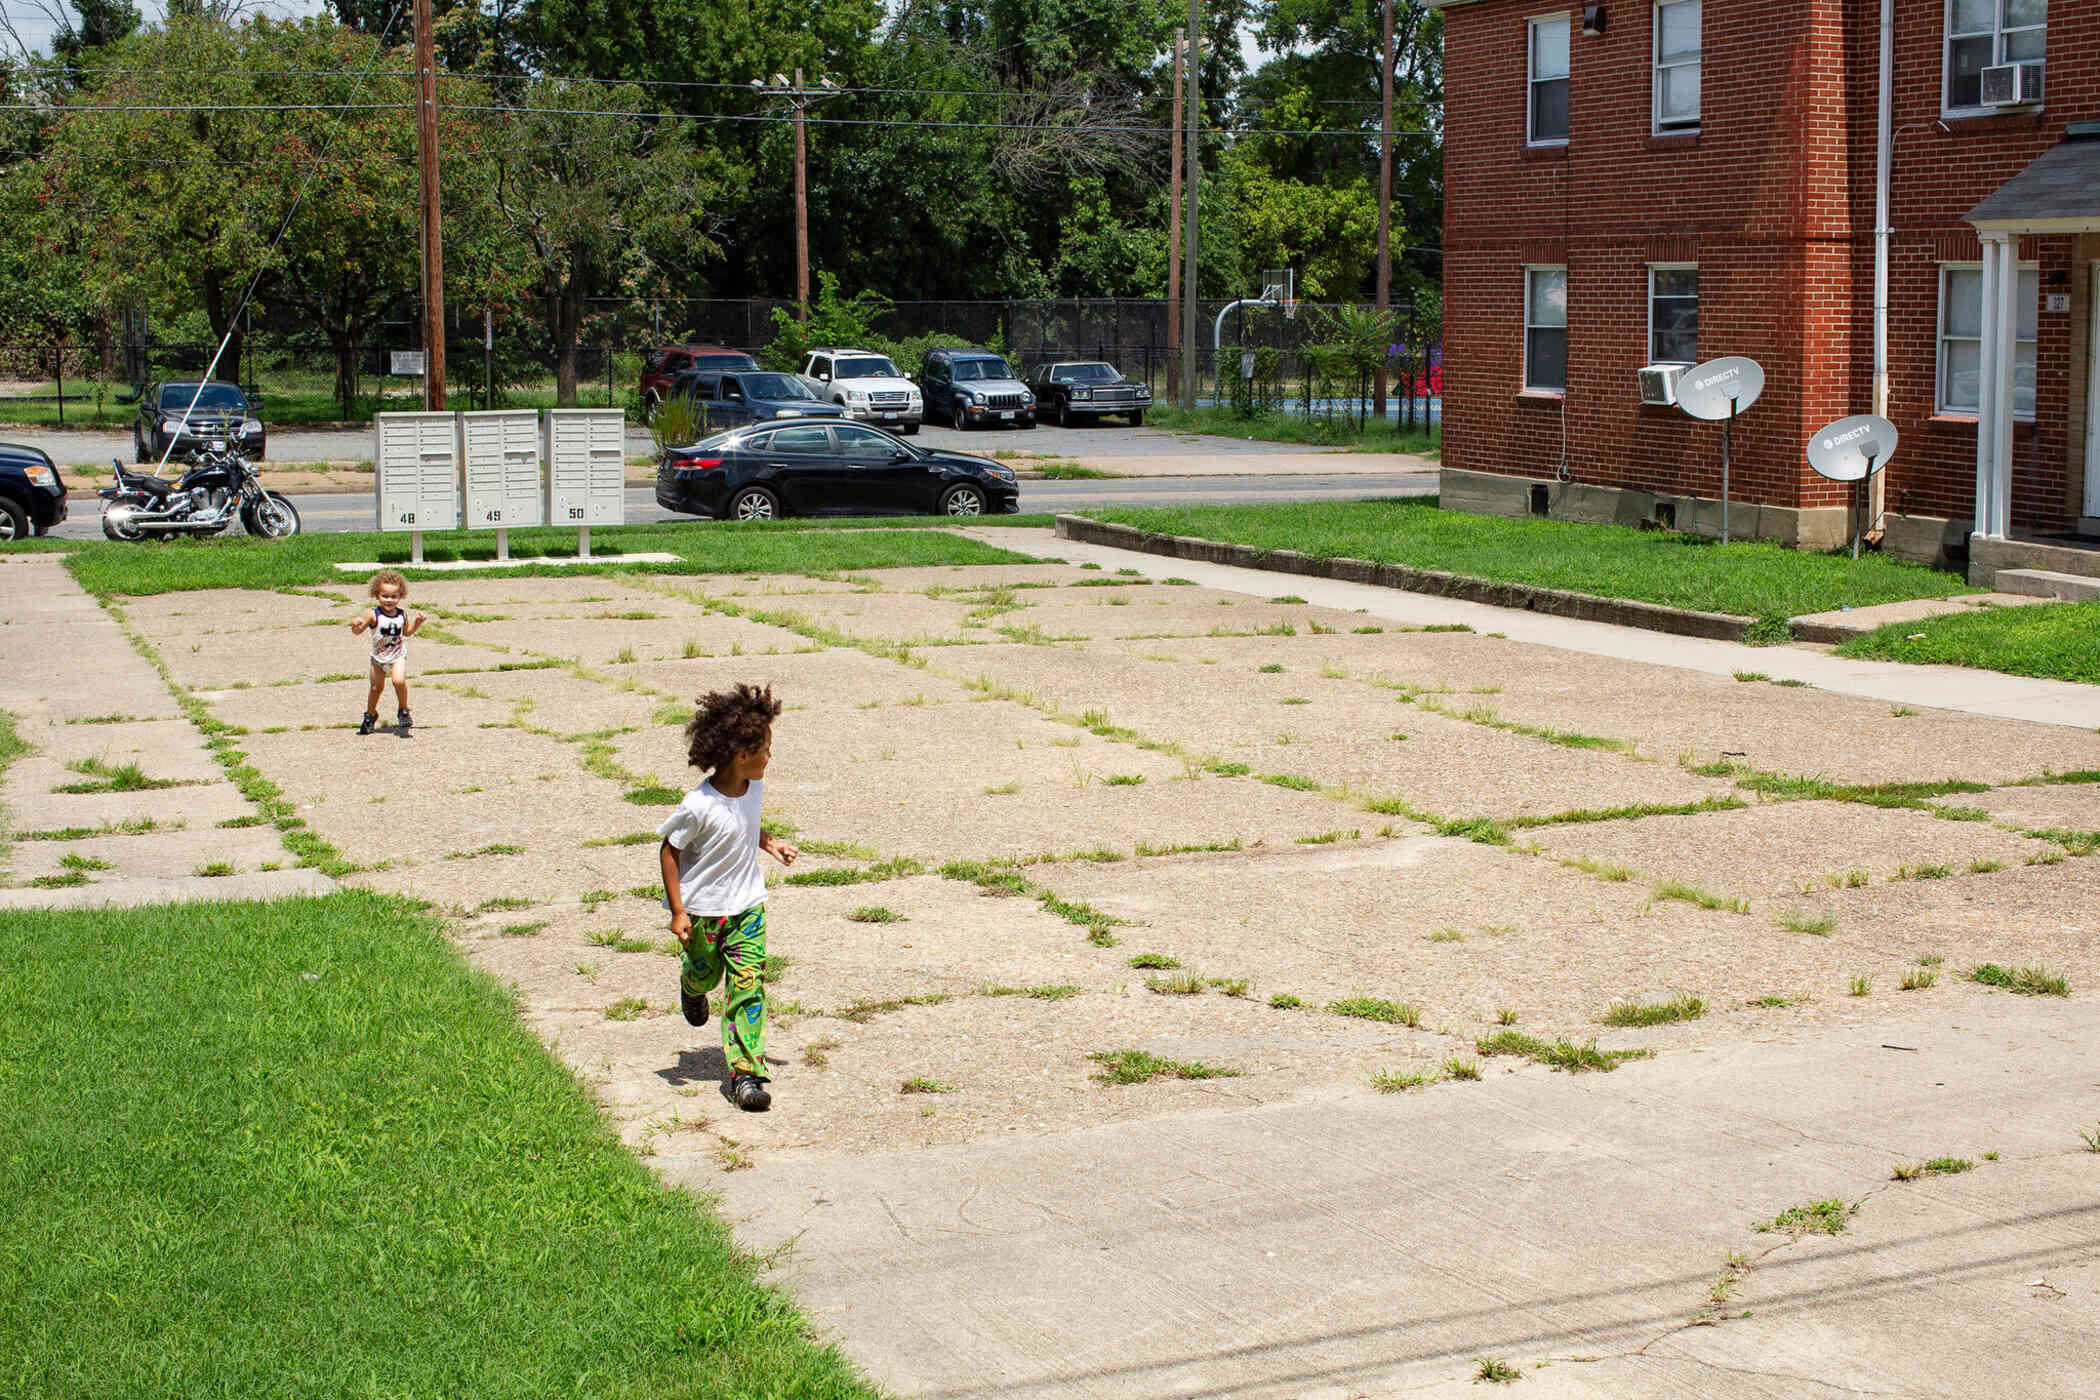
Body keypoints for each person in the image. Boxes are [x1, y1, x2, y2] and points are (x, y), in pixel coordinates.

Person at [657, 682, 798, 1111]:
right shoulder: (698, 806)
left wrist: (769, 843)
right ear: (742, 756)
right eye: (766, 750)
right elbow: (669, 849)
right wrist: (679, 911)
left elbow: (745, 825)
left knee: (747, 988)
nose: (770, 757)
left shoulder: (751, 788)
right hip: (703, 913)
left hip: (748, 909)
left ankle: (744, 1074)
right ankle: (691, 984)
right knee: (704, 975)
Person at [350, 569, 426, 736]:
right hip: (378, 658)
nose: (389, 600)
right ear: (377, 595)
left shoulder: (402, 614)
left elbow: (407, 632)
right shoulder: (372, 614)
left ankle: (403, 710)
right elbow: (358, 631)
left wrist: (418, 622)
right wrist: (355, 624)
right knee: (376, 688)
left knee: (398, 681)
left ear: (400, 596)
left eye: (394, 596)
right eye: (385, 596)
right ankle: (370, 716)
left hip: (397, 656)